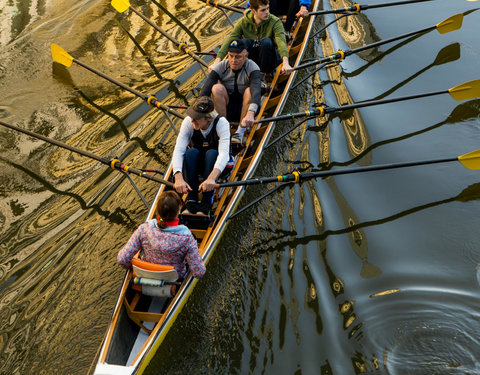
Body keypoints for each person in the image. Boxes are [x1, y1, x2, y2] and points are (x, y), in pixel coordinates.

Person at [117, 190, 206, 279]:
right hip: (174, 280)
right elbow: (199, 272)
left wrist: (136, 269)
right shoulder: (187, 238)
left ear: (157, 211)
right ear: (179, 211)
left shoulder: (143, 229)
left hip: (147, 274)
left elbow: (122, 259)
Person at [172, 96, 231, 215]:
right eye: (192, 116)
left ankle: (207, 200)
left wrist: (211, 178)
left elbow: (224, 154)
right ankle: (191, 198)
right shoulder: (188, 122)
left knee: (212, 153)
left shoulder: (222, 123)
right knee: (191, 153)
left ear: (208, 118)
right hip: (199, 163)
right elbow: (178, 150)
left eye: (197, 118)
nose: (192, 120)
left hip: (217, 164)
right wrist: (178, 177)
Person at [201, 39, 261, 144]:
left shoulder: (252, 67)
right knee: (216, 88)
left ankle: (240, 131)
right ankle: (223, 128)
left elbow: (256, 90)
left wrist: (251, 113)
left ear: (246, 55)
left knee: (249, 90)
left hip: (247, 110)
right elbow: (206, 89)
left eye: (238, 57)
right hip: (226, 108)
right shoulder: (221, 67)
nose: (234, 60)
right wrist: (199, 109)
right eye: (231, 56)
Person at [213, 0, 293, 76]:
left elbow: (281, 42)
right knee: (244, 42)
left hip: (270, 59)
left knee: (266, 42)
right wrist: (217, 62)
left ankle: (262, 75)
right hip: (253, 58)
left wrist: (286, 63)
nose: (267, 12)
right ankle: (242, 72)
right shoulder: (243, 22)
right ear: (254, 11)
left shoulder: (275, 21)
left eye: (268, 8)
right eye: (263, 10)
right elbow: (230, 41)